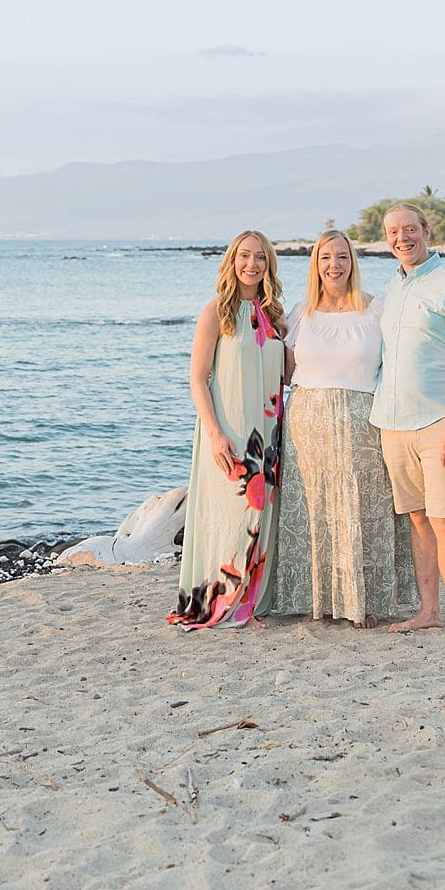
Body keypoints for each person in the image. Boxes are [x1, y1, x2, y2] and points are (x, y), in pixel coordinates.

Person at [274, 231, 417, 627]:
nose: (333, 265)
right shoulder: (300, 313)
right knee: (314, 508)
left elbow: (402, 360)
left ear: (352, 262)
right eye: (325, 258)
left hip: (363, 421)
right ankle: (316, 599)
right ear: (315, 264)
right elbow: (285, 374)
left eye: (341, 257)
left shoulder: (376, 310)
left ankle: (362, 602)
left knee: (363, 507)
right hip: (308, 423)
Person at [371, 203, 445, 637]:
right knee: (417, 520)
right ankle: (428, 610)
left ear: (426, 231)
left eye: (410, 229)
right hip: (393, 423)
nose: (402, 238)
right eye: (393, 232)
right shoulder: (392, 288)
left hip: (439, 422)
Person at [168, 231, 286, 629]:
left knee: (260, 517)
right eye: (245, 256)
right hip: (230, 430)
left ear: (269, 265)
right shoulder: (216, 311)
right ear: (232, 261)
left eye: (260, 257)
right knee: (230, 516)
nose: (252, 264)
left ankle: (249, 604)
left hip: (268, 433)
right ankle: (223, 603)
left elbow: (288, 375)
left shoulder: (274, 316)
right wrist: (214, 433)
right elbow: (198, 379)